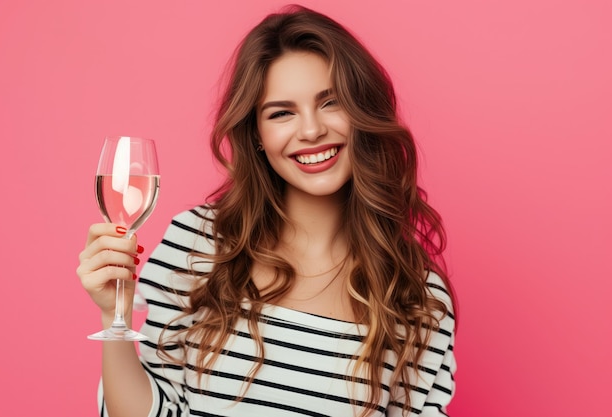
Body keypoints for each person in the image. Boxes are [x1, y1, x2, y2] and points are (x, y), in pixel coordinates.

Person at [77, 5, 456, 417]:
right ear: (257, 134)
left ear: (363, 113)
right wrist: (111, 314)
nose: (311, 130)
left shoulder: (418, 298)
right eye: (282, 113)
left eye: (331, 103)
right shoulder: (197, 243)